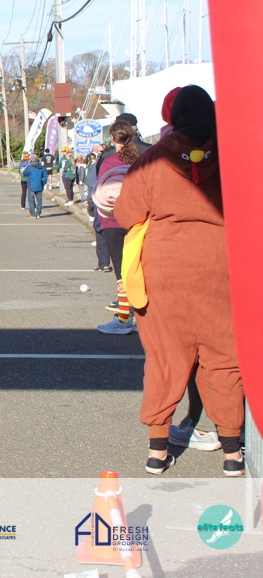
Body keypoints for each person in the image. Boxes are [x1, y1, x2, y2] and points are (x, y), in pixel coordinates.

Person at [115, 84, 244, 477]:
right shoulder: (233, 157)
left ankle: (158, 450)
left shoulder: (153, 159)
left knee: (165, 357)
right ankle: (232, 453)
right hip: (222, 266)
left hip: (165, 268)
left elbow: (127, 213)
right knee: (223, 358)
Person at [92, 121, 143, 334]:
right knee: (139, 269)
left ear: (112, 138)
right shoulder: (141, 160)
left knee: (121, 271)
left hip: (112, 221)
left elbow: (99, 189)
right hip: (137, 220)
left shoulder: (108, 162)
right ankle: (141, 317)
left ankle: (124, 318)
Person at [21, 154, 47, 218]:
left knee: (31, 200)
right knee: (39, 200)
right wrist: (42, 183)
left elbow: (24, 173)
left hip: (31, 186)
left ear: (31, 160)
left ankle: (33, 214)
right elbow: (45, 177)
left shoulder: (30, 167)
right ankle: (38, 213)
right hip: (39, 185)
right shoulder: (42, 167)